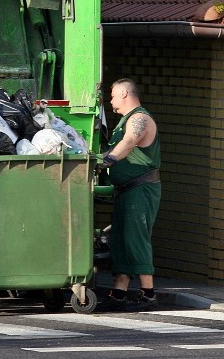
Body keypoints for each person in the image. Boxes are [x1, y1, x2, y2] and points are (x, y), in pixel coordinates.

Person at [97, 78, 162, 312]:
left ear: (124, 94)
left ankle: (148, 294)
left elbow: (128, 143)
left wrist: (106, 161)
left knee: (136, 238)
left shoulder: (139, 119)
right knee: (121, 240)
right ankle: (119, 291)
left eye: (113, 95)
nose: (111, 100)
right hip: (126, 190)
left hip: (140, 189)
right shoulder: (124, 121)